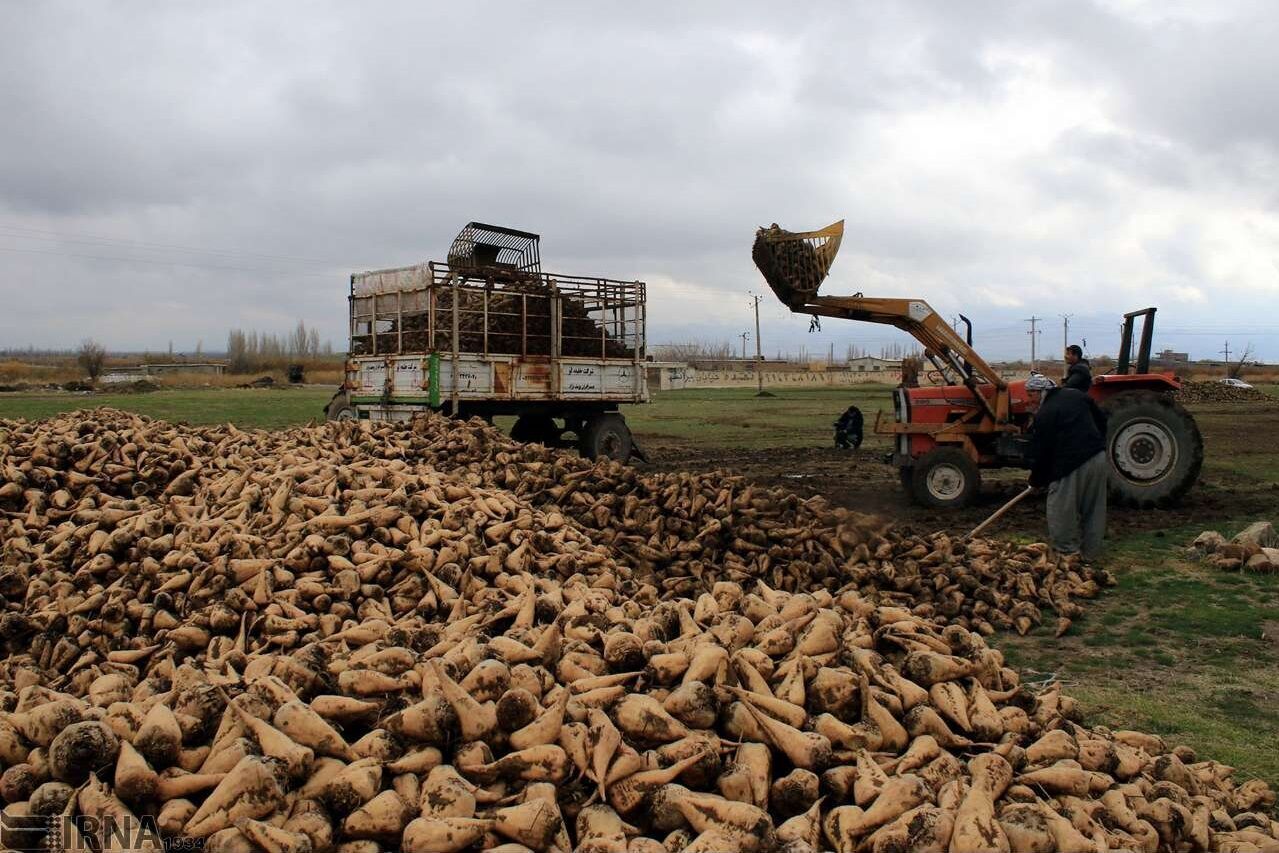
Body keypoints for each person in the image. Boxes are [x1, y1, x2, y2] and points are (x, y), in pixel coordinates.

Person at [1025, 373, 1109, 562]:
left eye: (1030, 395)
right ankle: (1090, 555)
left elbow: (1042, 453)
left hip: (1071, 466)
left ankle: (1067, 554)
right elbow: (1102, 419)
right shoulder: (1076, 395)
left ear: (1040, 392)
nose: (1028, 399)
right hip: (1098, 458)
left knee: (1060, 509)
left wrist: (1036, 479)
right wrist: (1098, 443)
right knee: (1094, 509)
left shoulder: (1045, 415)